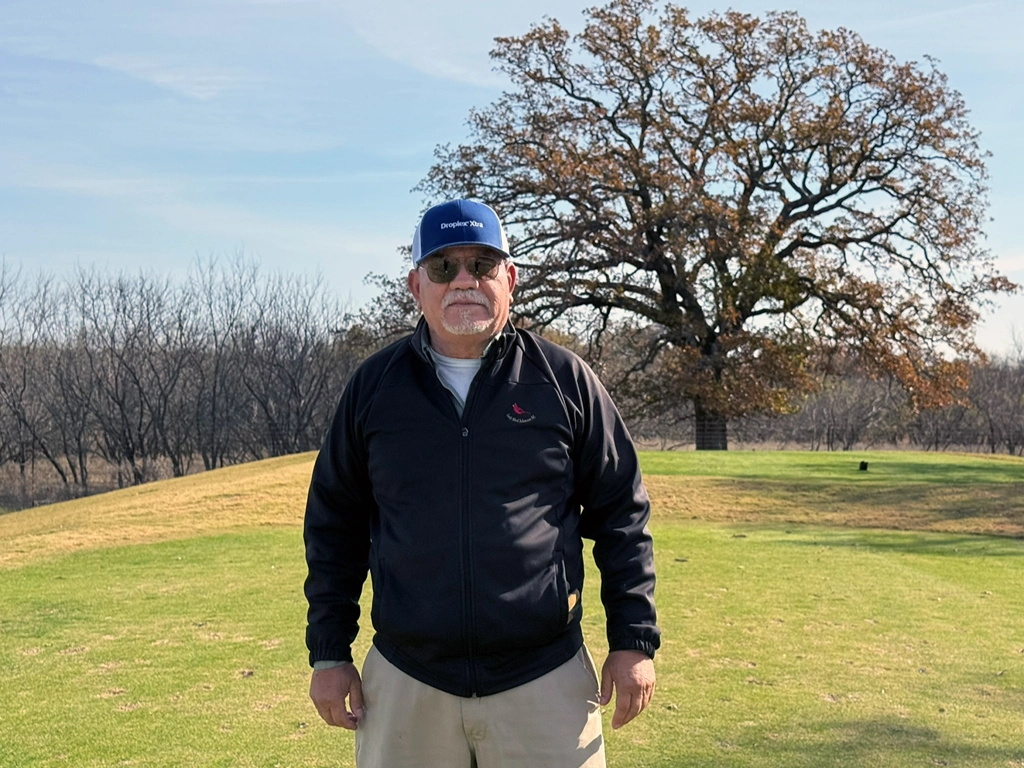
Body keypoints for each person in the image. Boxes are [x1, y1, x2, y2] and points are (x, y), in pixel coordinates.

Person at [303, 198, 660, 768]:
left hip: (544, 677)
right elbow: (333, 526)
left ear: (509, 279)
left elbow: (622, 515)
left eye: (482, 264)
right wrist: (329, 653)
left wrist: (632, 640)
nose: (464, 280)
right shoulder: (374, 388)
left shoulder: (563, 380)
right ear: (416, 285)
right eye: (444, 266)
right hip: (407, 679)